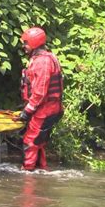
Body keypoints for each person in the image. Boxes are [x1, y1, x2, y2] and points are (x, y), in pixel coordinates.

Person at [16, 27, 64, 171]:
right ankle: (41, 171)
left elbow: (39, 92)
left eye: (26, 43)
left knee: (30, 141)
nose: (24, 47)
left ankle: (28, 173)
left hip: (45, 109)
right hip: (47, 108)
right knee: (39, 142)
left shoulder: (42, 62)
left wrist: (27, 112)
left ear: (34, 43)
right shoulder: (47, 58)